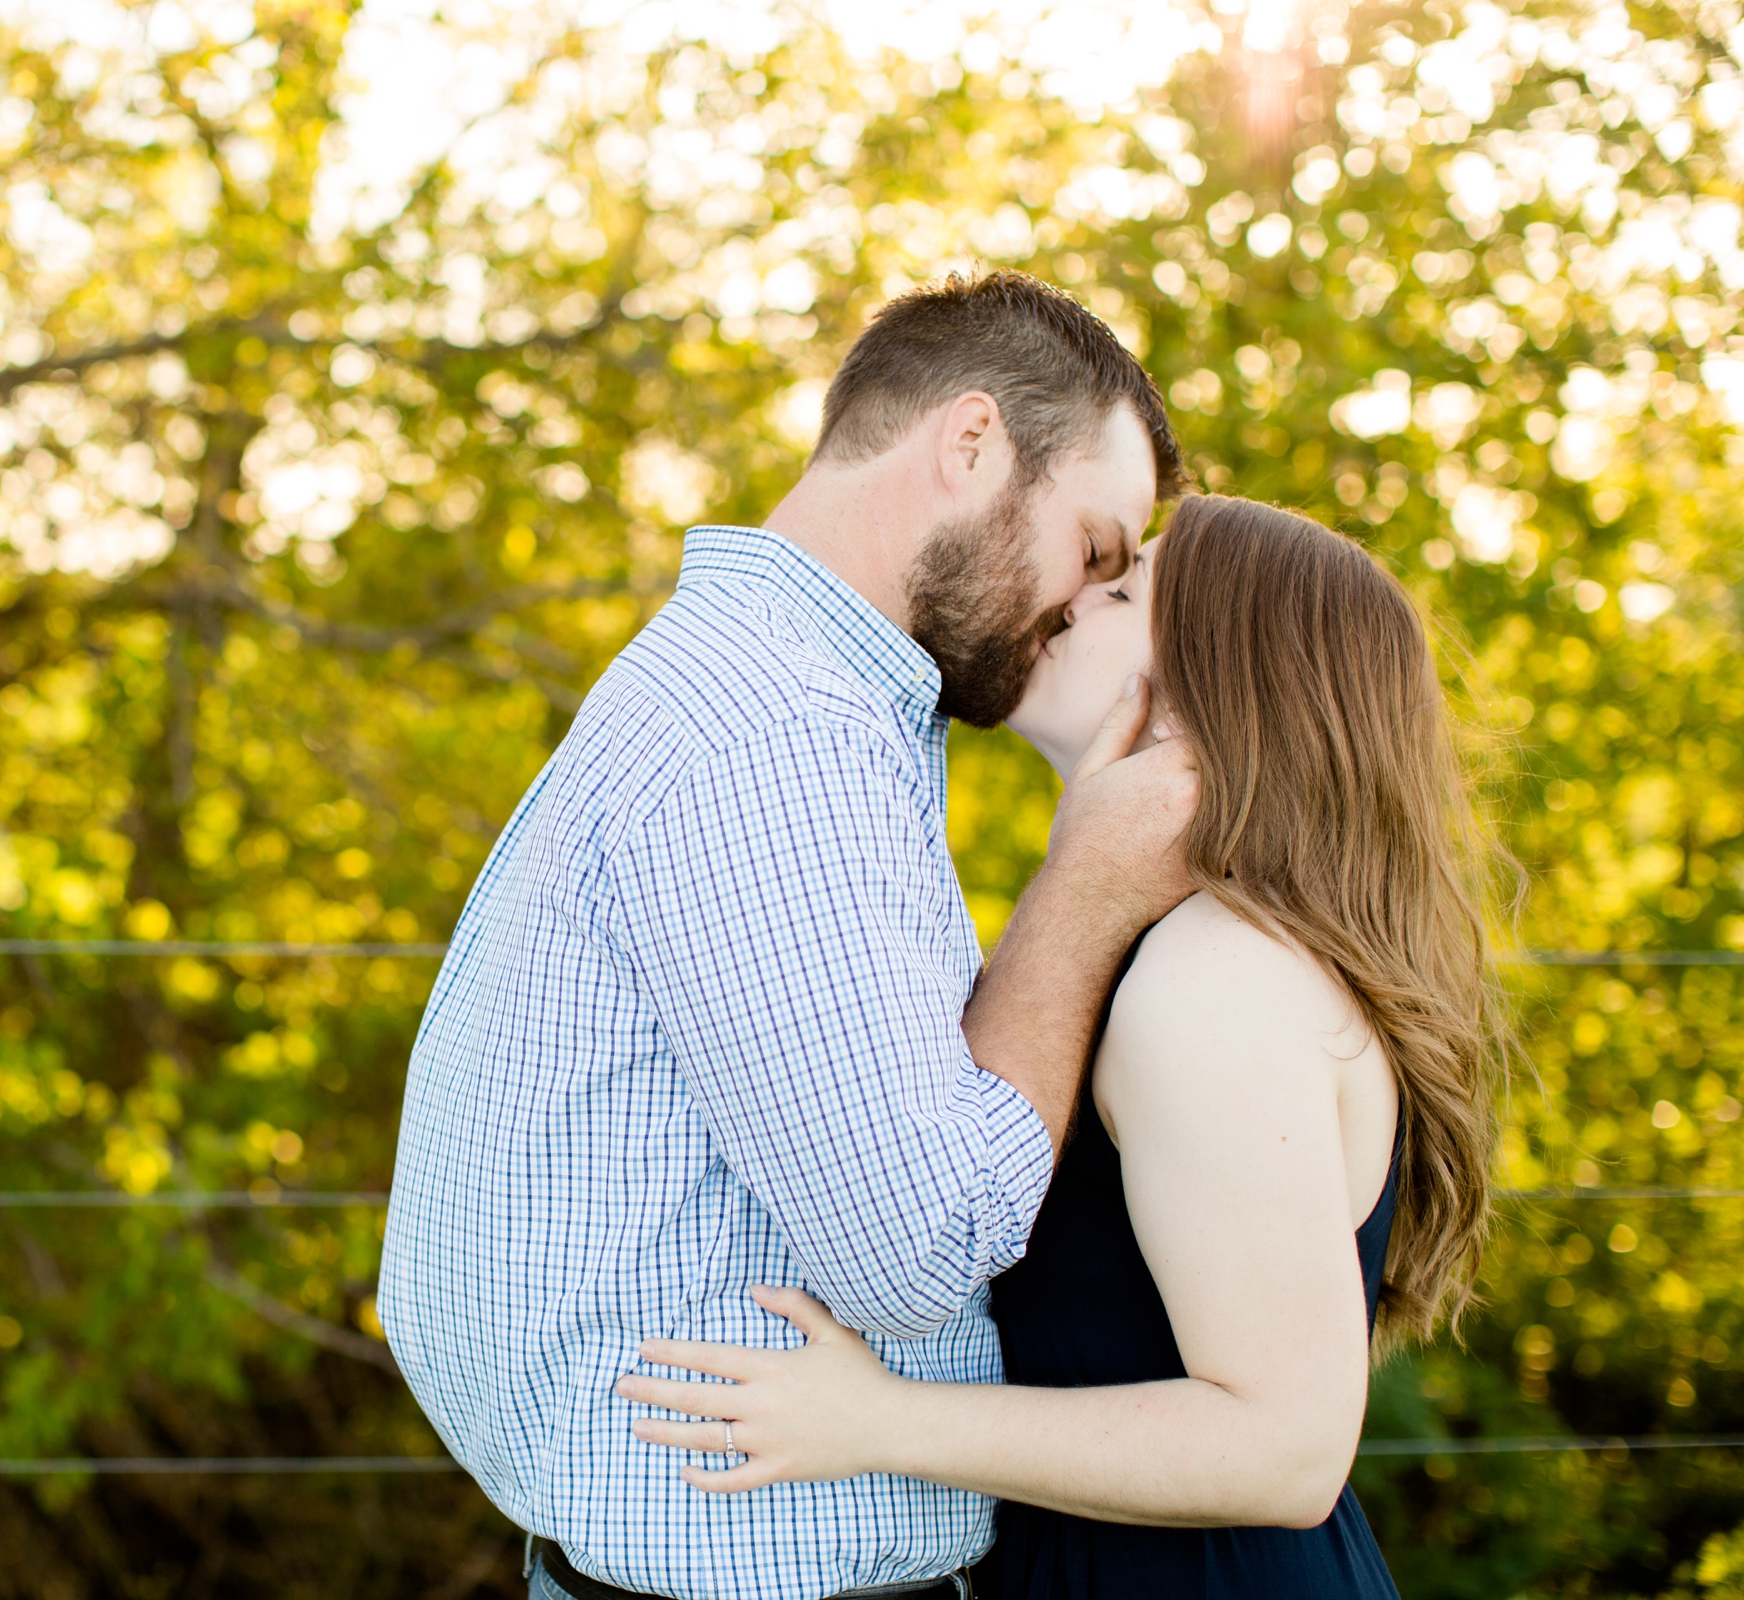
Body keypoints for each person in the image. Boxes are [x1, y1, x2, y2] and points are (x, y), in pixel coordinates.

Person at [378, 270, 1200, 1600]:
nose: (1078, 605)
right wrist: (1088, 887)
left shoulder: (773, 691)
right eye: (1094, 553)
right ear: (972, 444)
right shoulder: (780, 738)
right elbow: (917, 1246)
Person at [620, 496, 1508, 1600]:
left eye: (1125, 592)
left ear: (1219, 694)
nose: (1073, 593)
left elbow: (1288, 1448)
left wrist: (881, 1421)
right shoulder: (1168, 952)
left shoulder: (1213, 981)